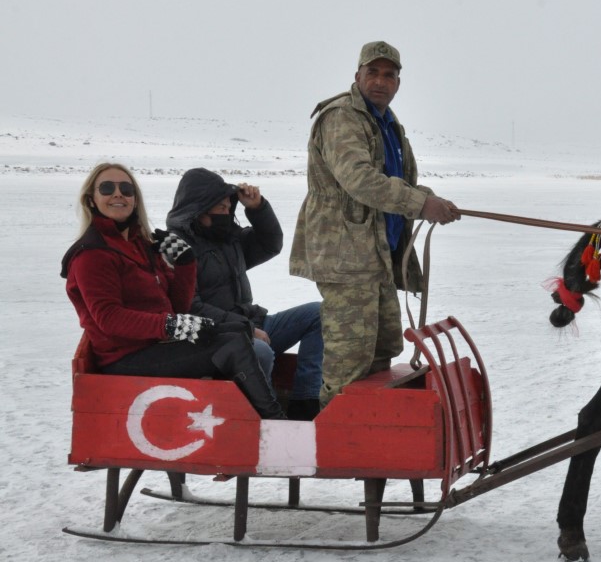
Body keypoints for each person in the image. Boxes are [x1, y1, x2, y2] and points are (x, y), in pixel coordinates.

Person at [290, 40, 460, 408]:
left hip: (378, 258)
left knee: (381, 353)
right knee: (349, 362)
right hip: (346, 260)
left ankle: (367, 449)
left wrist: (432, 201)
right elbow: (360, 180)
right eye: (373, 73)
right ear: (358, 76)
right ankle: (332, 448)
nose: (380, 81)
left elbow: (402, 180)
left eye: (389, 75)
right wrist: (419, 204)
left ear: (398, 83)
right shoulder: (341, 117)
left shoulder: (387, 124)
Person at [62, 162, 285, 420]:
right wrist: (170, 325)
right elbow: (109, 318)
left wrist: (185, 263)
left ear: (135, 199)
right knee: (235, 343)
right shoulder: (92, 254)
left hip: (157, 345)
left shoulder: (142, 244)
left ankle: (256, 420)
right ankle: (273, 422)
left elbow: (177, 303)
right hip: (126, 356)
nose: (118, 194)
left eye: (126, 188)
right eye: (107, 188)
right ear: (91, 200)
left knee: (237, 331)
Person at [166, 168, 323, 420]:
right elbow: (190, 308)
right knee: (259, 350)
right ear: (199, 208)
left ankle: (305, 403)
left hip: (251, 322)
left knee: (319, 315)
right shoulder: (176, 248)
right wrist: (244, 329)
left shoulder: (227, 237)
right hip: (218, 336)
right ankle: (268, 418)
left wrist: (257, 208)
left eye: (229, 207)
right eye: (220, 208)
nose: (227, 213)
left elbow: (270, 243)